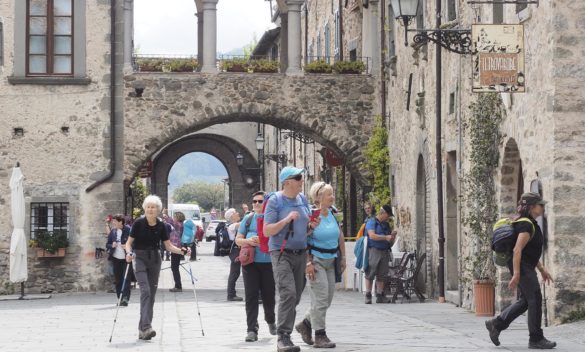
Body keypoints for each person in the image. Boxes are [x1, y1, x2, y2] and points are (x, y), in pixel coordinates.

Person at [485, 192, 556, 349]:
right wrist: (516, 273)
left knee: (526, 301)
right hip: (522, 266)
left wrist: (542, 269)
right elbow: (518, 250)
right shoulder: (525, 225)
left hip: (525, 265)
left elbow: (528, 251)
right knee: (535, 298)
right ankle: (536, 338)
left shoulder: (529, 223)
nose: (543, 207)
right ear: (531, 207)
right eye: (540, 205)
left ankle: (496, 324)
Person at [264, 166, 317, 352]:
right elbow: (267, 230)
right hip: (281, 252)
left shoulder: (302, 199)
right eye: (298, 178)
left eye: (301, 177)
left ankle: (285, 331)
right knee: (288, 293)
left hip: (300, 253)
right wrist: (286, 220)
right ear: (287, 182)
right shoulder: (275, 201)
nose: (302, 180)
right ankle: (283, 337)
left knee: (294, 296)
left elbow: (305, 229)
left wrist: (311, 225)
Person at [125, 195, 190, 340]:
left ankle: (143, 330)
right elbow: (129, 243)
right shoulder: (138, 223)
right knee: (146, 291)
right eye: (148, 206)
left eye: (153, 207)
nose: (150, 209)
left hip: (155, 259)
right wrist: (128, 253)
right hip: (139, 257)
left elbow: (168, 246)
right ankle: (147, 327)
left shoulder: (162, 225)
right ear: (145, 208)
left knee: (151, 295)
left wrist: (182, 251)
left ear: (158, 210)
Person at [296, 182, 346, 348]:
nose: (332, 197)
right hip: (315, 260)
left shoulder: (333, 212)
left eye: (332, 194)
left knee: (327, 299)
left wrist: (343, 257)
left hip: (331, 260)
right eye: (329, 194)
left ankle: (305, 323)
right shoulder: (310, 215)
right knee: (321, 298)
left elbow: (340, 235)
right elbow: (302, 239)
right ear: (318, 197)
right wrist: (308, 262)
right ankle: (320, 335)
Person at [235, 191, 277, 342]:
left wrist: (266, 238)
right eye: (255, 201)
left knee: (269, 295)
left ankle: (270, 319)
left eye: (260, 201)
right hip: (250, 263)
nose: (257, 204)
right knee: (251, 296)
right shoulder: (248, 218)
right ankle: (252, 329)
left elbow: (280, 238)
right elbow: (237, 240)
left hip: (269, 263)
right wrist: (248, 241)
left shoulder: (272, 218)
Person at [364, 205, 396, 304]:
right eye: (388, 215)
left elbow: (390, 241)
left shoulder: (386, 225)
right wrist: (385, 237)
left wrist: (392, 237)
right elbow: (372, 236)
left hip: (384, 251)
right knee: (370, 272)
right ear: (382, 213)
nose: (388, 217)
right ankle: (368, 295)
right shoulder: (371, 222)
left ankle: (380, 295)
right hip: (374, 250)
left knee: (382, 274)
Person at [105, 214, 133, 306]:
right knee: (118, 279)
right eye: (113, 221)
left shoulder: (128, 230)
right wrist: (111, 245)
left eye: (115, 221)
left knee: (126, 278)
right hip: (116, 258)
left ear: (121, 222)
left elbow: (135, 243)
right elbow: (107, 244)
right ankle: (119, 298)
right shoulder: (113, 232)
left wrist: (128, 247)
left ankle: (125, 298)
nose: (113, 223)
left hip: (126, 258)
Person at [163, 211, 185, 292]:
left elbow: (170, 221)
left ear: (178, 217)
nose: (174, 218)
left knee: (174, 267)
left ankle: (178, 286)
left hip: (176, 247)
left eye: (175, 216)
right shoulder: (181, 224)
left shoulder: (178, 224)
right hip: (177, 247)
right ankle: (177, 285)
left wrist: (165, 216)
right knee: (175, 267)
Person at [225, 208, 243, 301]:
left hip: (236, 251)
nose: (238, 213)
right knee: (234, 273)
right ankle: (231, 295)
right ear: (232, 216)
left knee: (235, 273)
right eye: (236, 212)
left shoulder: (231, 225)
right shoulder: (233, 225)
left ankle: (231, 294)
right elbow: (245, 224)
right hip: (236, 251)